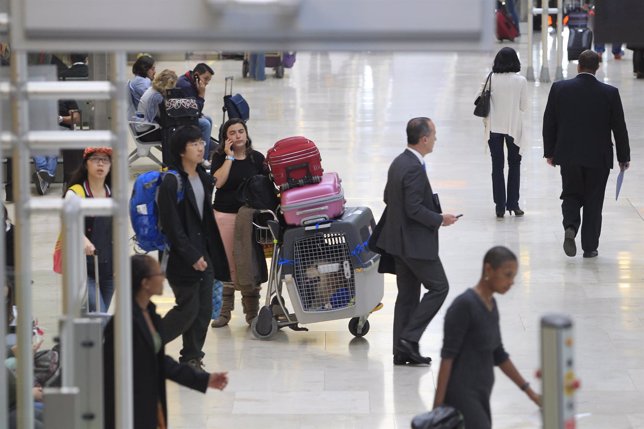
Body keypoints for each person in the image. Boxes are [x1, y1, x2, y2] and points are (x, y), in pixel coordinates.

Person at [103, 254, 228, 429]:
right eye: (158, 274)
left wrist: (203, 380)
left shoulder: (150, 313)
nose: (163, 277)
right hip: (127, 408)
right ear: (145, 283)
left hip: (147, 402)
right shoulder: (125, 321)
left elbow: (159, 361)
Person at [373, 117, 459, 365]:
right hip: (414, 244)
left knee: (408, 295)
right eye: (433, 135)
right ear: (424, 139)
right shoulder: (413, 167)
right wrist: (439, 218)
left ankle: (401, 352)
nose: (435, 139)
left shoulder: (399, 161)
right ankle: (409, 339)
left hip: (397, 243)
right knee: (439, 287)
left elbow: (389, 196)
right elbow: (413, 208)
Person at [433, 246, 541, 429]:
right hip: (462, 397)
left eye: (513, 276)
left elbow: (498, 354)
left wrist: (531, 393)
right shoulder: (464, 306)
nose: (511, 282)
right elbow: (447, 359)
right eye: (507, 275)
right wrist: (436, 411)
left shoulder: (491, 304)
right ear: (488, 269)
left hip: (482, 394)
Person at [543, 49, 630, 258]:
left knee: (571, 193)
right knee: (594, 200)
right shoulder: (610, 93)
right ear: (597, 68)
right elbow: (619, 127)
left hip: (569, 155)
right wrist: (623, 157)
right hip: (598, 158)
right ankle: (590, 247)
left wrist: (550, 152)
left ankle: (570, 227)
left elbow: (549, 123)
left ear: (578, 66)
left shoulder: (559, 89)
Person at [157, 125, 230, 369]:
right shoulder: (171, 181)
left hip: (205, 252)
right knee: (187, 309)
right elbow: (171, 225)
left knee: (203, 310)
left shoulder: (202, 177)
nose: (201, 147)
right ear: (180, 150)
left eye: (201, 142)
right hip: (180, 257)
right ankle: (147, 343)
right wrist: (191, 255)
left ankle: (192, 357)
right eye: (194, 144)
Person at [210, 118, 268, 327]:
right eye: (232, 133)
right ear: (226, 139)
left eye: (240, 131)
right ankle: (224, 312)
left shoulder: (257, 159)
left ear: (246, 133)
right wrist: (229, 157)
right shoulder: (219, 157)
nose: (237, 136)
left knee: (248, 263)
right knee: (227, 264)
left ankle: (251, 312)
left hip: (249, 219)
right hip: (224, 216)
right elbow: (218, 182)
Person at [64, 147, 114, 312]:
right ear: (86, 165)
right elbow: (67, 224)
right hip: (83, 269)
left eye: (105, 160)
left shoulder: (113, 194)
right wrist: (82, 239)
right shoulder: (76, 193)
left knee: (98, 315)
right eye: (95, 159)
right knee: (99, 313)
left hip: (109, 269)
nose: (100, 164)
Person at [482, 47, 527, 218]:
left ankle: (500, 206)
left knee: (497, 166)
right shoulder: (520, 81)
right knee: (514, 165)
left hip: (494, 128)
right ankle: (514, 204)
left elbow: (479, 97)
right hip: (514, 128)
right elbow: (524, 106)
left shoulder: (491, 79)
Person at [175, 63, 214, 165]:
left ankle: (206, 151)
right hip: (180, 119)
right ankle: (202, 160)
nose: (206, 83)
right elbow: (195, 111)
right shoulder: (186, 86)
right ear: (196, 75)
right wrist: (201, 94)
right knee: (205, 124)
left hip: (185, 114)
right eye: (205, 79)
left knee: (208, 119)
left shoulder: (190, 81)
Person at [136, 69, 178, 141]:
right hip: (146, 132)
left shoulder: (153, 88)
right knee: (180, 135)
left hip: (143, 126)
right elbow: (163, 118)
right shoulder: (157, 97)